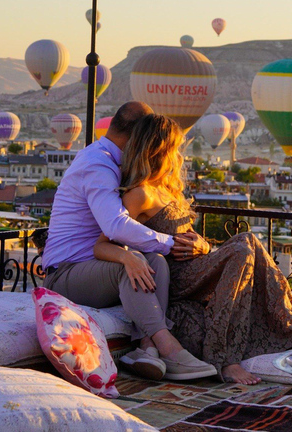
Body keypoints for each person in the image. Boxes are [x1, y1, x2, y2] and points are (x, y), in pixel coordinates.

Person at [94, 114, 292, 384]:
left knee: (250, 243)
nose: (178, 156)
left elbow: (189, 237)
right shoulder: (140, 194)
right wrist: (127, 258)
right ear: (157, 151)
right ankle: (225, 358)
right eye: (174, 149)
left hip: (195, 269)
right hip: (175, 277)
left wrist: (203, 244)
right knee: (245, 242)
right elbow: (102, 245)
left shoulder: (168, 190)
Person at [42, 102, 217, 381]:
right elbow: (115, 225)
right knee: (132, 265)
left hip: (95, 264)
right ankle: (169, 347)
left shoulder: (113, 161)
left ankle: (145, 349)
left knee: (155, 263)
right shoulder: (98, 164)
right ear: (138, 136)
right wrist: (173, 243)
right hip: (66, 272)